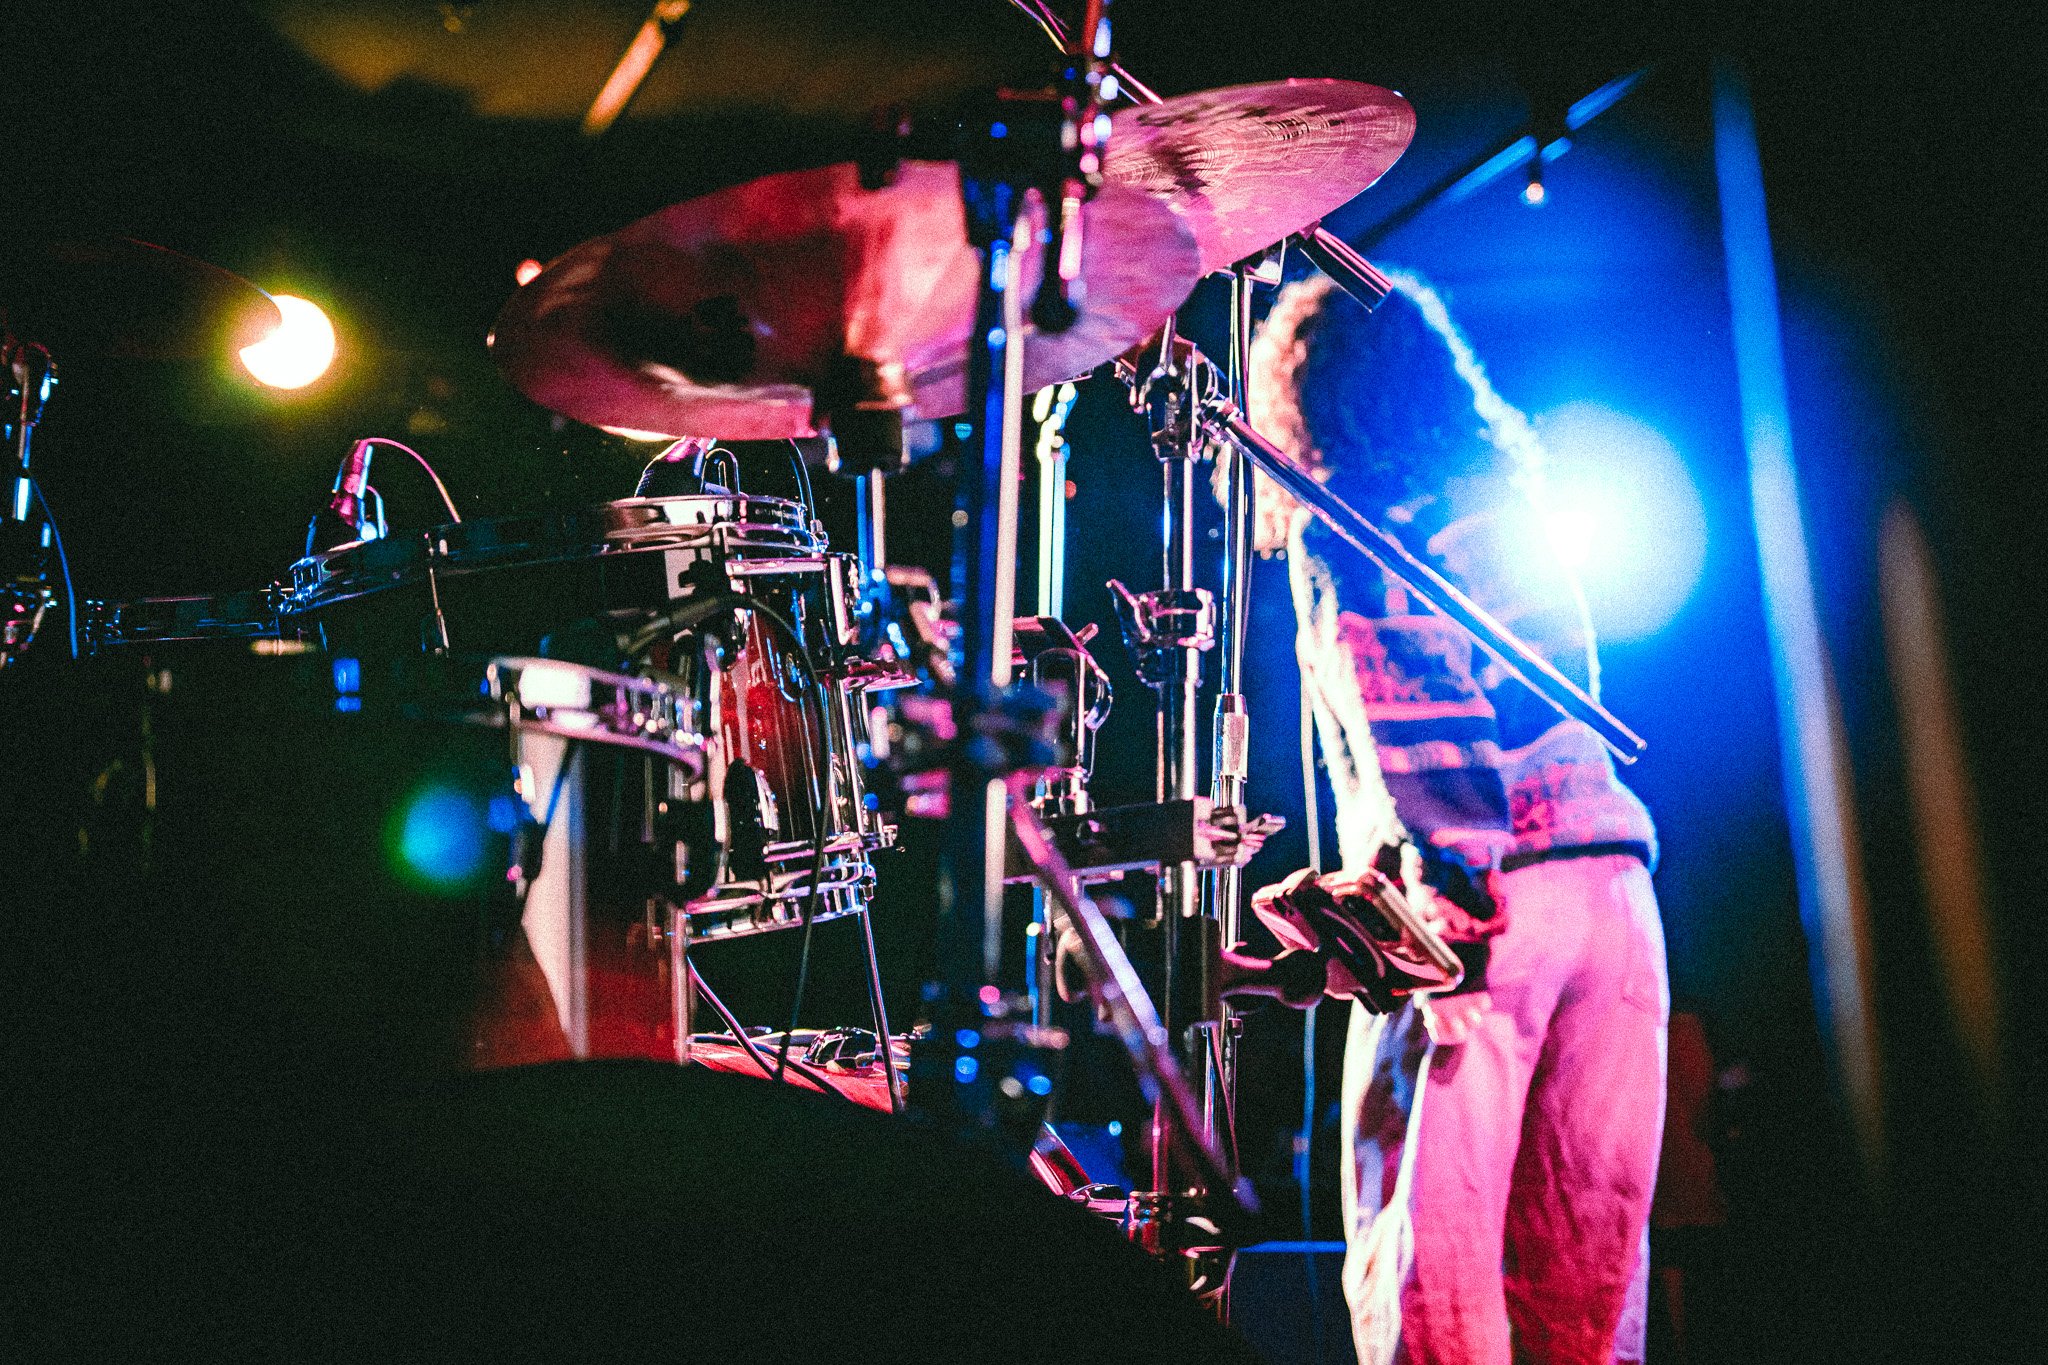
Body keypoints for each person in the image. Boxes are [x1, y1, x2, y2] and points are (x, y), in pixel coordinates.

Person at [1244, 270, 1667, 1365]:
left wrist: (1446, 900)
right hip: (1612, 891)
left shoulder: (1351, 523)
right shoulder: (1507, 511)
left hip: (1482, 902)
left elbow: (1416, 716)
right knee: (1587, 1286)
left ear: (1303, 400)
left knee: (1428, 1286)